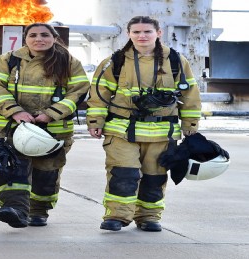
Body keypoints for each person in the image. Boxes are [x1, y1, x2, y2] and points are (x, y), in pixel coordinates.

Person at [86, 15, 201, 232]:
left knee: (154, 176)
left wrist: (190, 125)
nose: (142, 36)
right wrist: (95, 121)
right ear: (128, 34)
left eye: (147, 31)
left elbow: (191, 95)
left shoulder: (176, 61)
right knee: (123, 173)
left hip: (161, 133)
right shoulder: (115, 62)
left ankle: (149, 217)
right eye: (136, 32)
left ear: (159, 33)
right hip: (122, 131)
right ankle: (117, 217)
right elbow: (98, 94)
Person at [0, 23, 90, 228]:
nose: (38, 39)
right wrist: (15, 111)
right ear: (25, 38)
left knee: (46, 173)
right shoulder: (9, 60)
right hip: (12, 128)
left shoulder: (69, 62)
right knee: (12, 168)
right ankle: (15, 209)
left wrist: (51, 114)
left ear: (54, 37)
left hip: (53, 130)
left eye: (44, 35)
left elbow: (78, 91)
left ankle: (39, 211)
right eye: (33, 35)